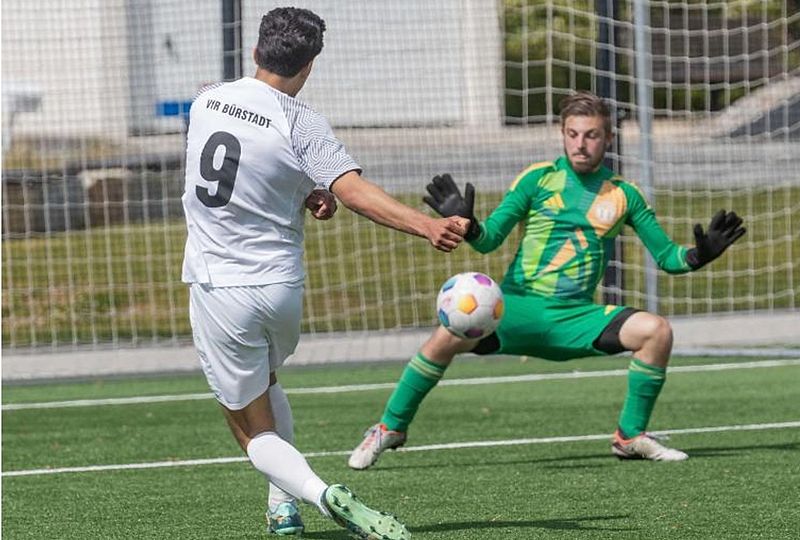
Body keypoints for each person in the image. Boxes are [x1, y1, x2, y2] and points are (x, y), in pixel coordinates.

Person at [182, 7, 467, 538]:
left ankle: (320, 494)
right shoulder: (300, 122)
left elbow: (235, 161)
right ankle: (281, 507)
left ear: (255, 51)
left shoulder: (205, 101)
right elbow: (351, 190)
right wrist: (424, 226)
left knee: (244, 420)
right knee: (265, 384)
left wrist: (307, 189)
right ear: (309, 64)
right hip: (281, 290)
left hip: (220, 287)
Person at [348, 90, 746, 470]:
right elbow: (489, 241)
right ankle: (390, 428)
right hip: (517, 310)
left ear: (608, 137)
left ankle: (630, 437)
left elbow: (668, 258)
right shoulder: (536, 180)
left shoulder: (625, 194)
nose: (581, 144)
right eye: (572, 134)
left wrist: (700, 254)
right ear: (563, 135)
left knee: (656, 331)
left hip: (577, 319)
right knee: (447, 333)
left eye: (591, 135)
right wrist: (468, 226)